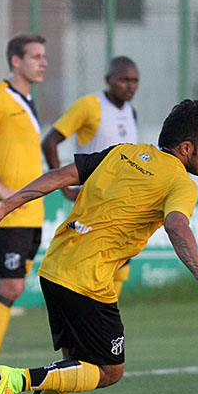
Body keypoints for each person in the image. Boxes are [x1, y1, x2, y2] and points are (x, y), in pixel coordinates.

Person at [0, 99, 198, 394]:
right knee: (109, 372)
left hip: (55, 265)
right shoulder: (180, 183)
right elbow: (177, 225)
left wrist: (7, 204)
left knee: (75, 368)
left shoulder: (123, 152)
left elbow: (62, 175)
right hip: (87, 278)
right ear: (186, 148)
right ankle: (17, 378)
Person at [0, 33, 48, 390]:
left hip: (32, 213)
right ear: (16, 61)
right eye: (35, 56)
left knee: (14, 289)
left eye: (44, 56)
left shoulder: (27, 100)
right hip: (8, 213)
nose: (43, 62)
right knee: (11, 285)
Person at [41, 55, 140, 299]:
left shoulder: (131, 112)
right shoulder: (89, 105)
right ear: (108, 79)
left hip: (123, 203)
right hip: (94, 203)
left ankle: (108, 320)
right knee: (90, 271)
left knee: (119, 269)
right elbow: (50, 141)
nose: (130, 86)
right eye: (124, 80)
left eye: (134, 81)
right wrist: (65, 188)